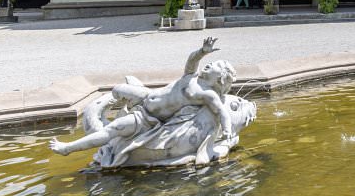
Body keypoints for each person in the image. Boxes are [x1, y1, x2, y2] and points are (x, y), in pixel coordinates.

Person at [49, 37, 236, 157]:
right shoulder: (191, 75)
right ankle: (122, 107)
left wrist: (227, 130)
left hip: (146, 118)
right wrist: (202, 51)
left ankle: (68, 148)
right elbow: (192, 60)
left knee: (111, 131)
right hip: (146, 95)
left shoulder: (207, 94)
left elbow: (221, 112)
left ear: (220, 78)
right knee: (117, 89)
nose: (210, 64)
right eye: (211, 62)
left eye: (215, 65)